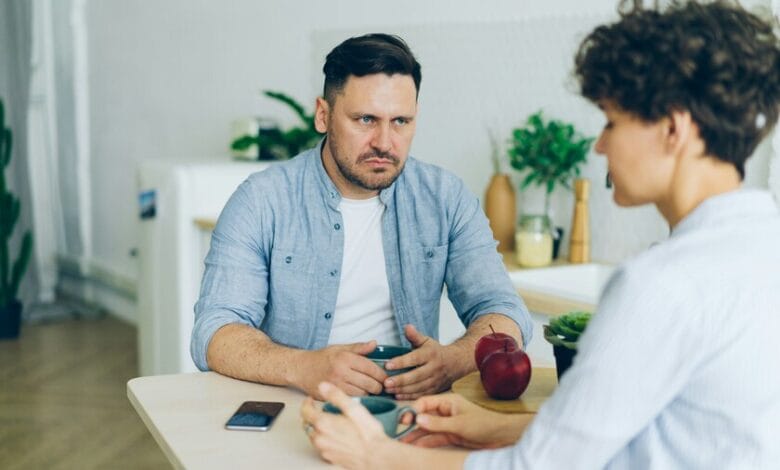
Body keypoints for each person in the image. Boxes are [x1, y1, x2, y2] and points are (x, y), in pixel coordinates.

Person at [301, 1, 780, 468]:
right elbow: (654, 429)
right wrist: (495, 427)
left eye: (612, 121)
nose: (601, 143)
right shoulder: (763, 245)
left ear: (673, 130)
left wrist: (378, 455)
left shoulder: (662, 285)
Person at [190, 33, 533, 400]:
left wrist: (455, 360)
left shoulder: (445, 197)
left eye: (401, 121)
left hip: (408, 413)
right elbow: (215, 332)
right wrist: (305, 367)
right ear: (323, 115)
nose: (385, 142)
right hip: (297, 405)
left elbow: (505, 312)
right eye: (366, 119)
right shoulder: (261, 200)